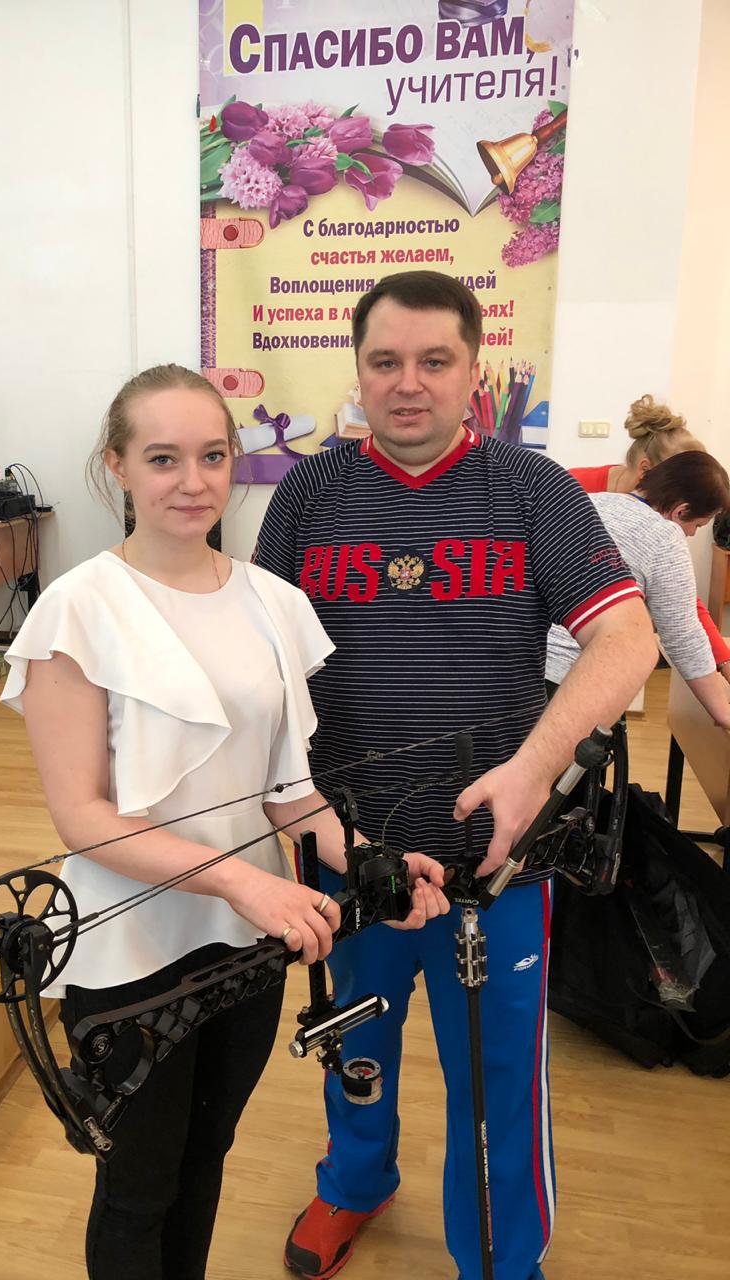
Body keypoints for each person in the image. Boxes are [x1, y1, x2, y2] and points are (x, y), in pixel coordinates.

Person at [0, 364, 449, 1280]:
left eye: (212, 456)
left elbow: (288, 793)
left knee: (205, 1158)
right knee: (138, 1187)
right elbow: (83, 816)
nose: (192, 481)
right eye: (163, 458)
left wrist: (373, 860)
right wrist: (243, 879)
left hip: (245, 942)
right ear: (118, 465)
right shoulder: (77, 611)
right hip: (132, 950)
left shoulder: (272, 602)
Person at [253, 271, 658, 1280]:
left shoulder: (533, 490)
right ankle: (355, 1182)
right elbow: (262, 665)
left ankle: (500, 1258)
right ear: (357, 371)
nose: (409, 383)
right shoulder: (307, 496)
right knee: (354, 1042)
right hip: (352, 854)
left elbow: (627, 640)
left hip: (499, 860)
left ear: (475, 370)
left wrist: (533, 770)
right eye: (386, 361)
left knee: (499, 1076)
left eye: (435, 361)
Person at [550, 449, 730, 726]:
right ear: (681, 510)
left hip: (518, 671)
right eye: (697, 524)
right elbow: (683, 637)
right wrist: (724, 714)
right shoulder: (664, 536)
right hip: (574, 683)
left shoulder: (588, 502)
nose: (692, 534)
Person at [568, 393, 730, 685]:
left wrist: (723, 660)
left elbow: (679, 600)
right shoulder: (573, 489)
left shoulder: (661, 522)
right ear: (647, 471)